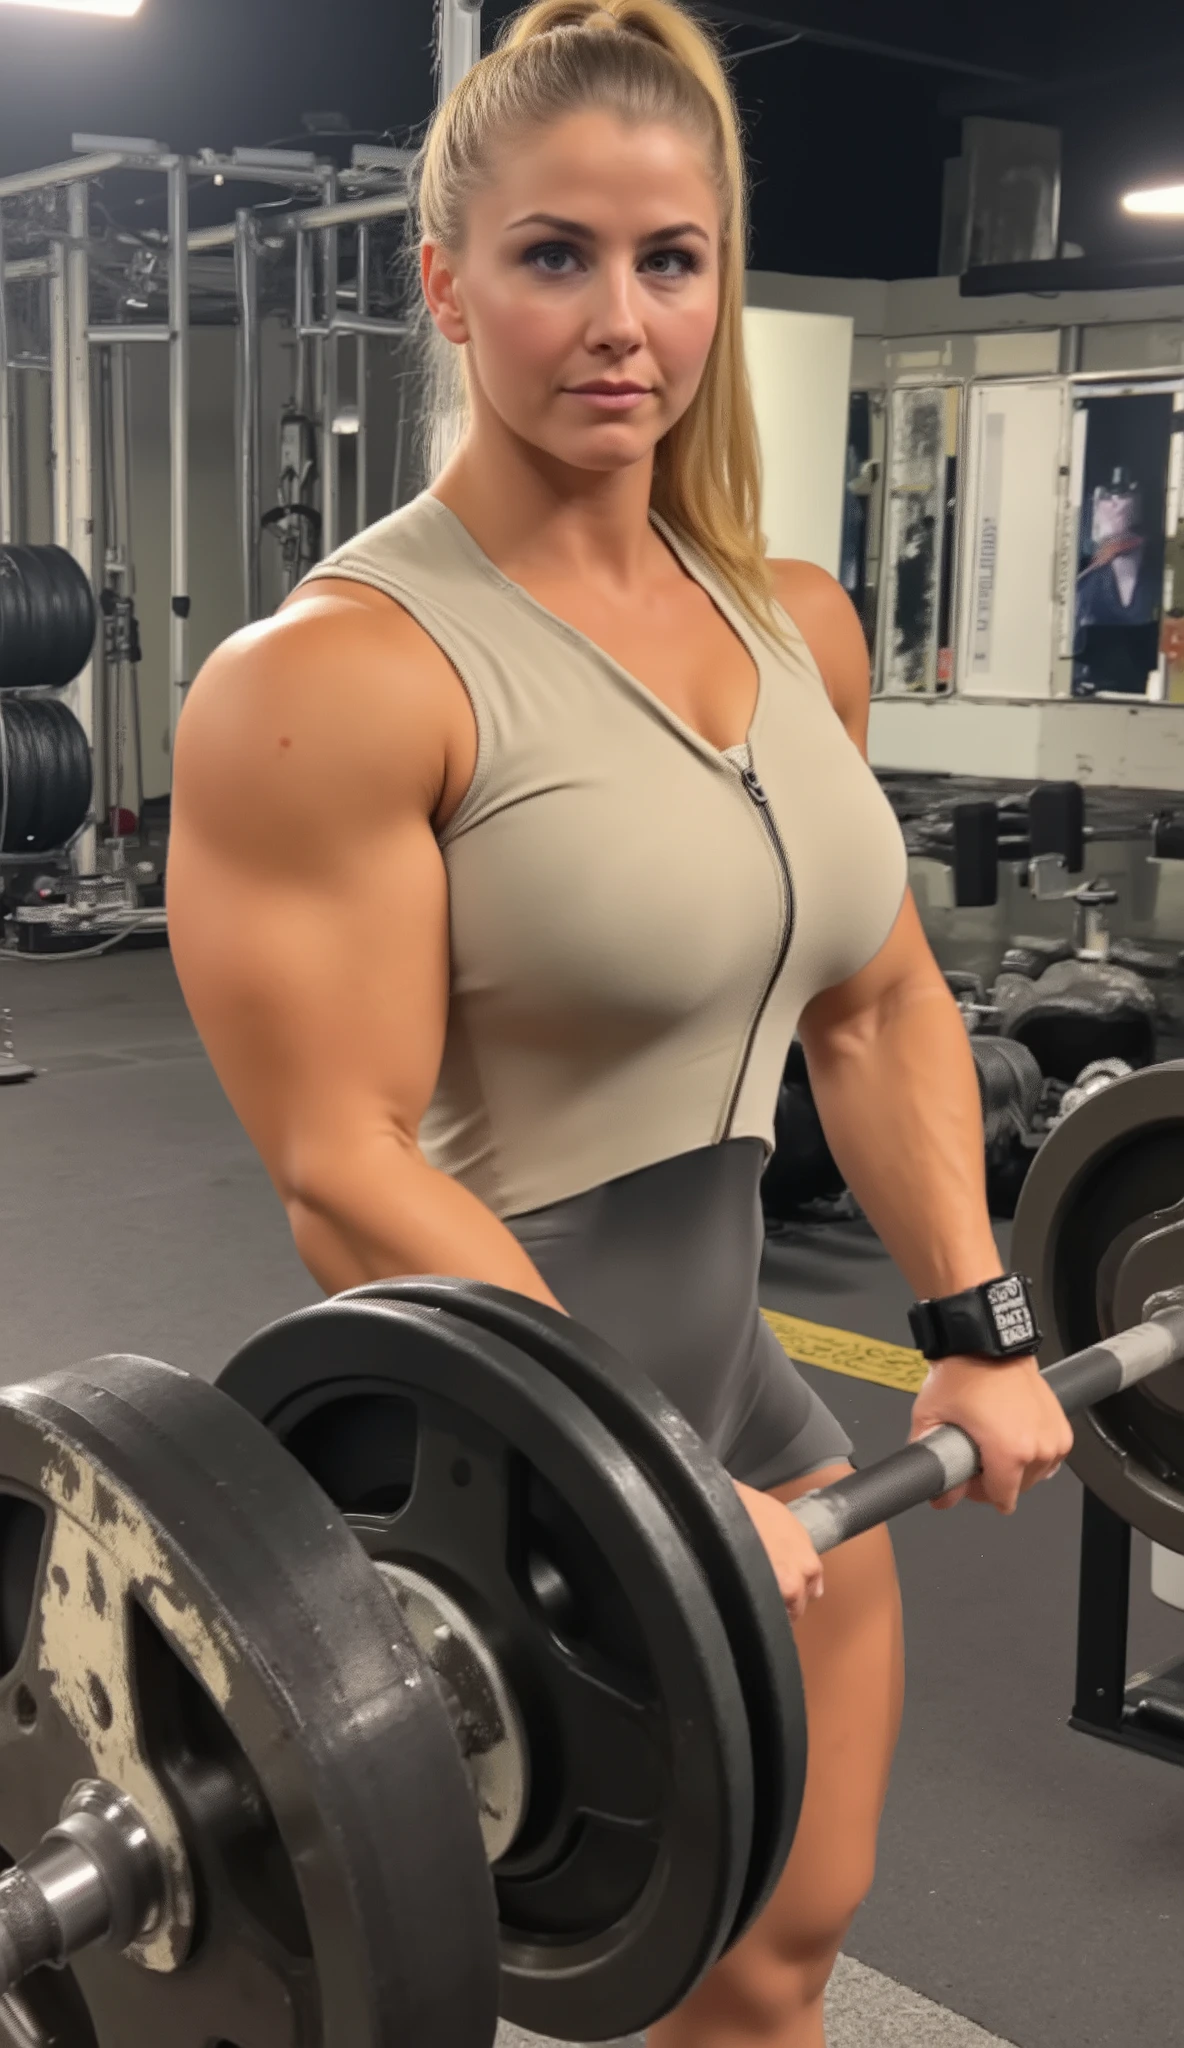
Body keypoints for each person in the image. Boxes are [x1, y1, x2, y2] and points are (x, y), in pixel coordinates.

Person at [166, 2, 1072, 2040]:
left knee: (781, 1955)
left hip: (749, 1412)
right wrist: (636, 1475)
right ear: (445, 285)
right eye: (552, 256)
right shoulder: (336, 678)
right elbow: (342, 1163)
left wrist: (978, 1322)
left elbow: (876, 1001)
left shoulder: (796, 621)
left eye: (669, 261)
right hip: (499, 1460)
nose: (617, 321)